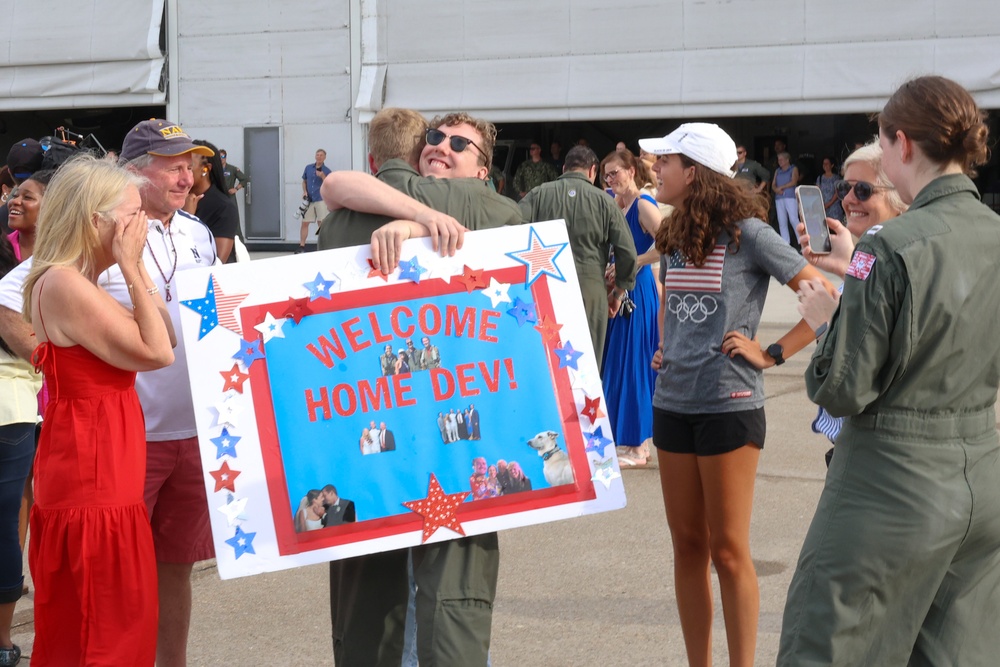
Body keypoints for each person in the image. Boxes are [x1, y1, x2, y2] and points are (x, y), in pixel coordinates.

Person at [778, 75, 1000, 666]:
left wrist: (831, 321)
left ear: (901, 145)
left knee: (824, 647)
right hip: (980, 476)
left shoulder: (888, 247)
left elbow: (842, 386)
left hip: (891, 486)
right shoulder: (993, 235)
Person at [319, 108, 509, 667]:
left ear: (482, 172)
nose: (441, 146)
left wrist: (411, 223)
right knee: (425, 601)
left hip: (453, 441)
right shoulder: (400, 201)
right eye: (434, 137)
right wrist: (422, 217)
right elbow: (333, 182)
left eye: (459, 143)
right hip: (389, 430)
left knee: (411, 602)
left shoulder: (490, 210)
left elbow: (337, 187)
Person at [639, 122, 831, 667]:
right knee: (687, 548)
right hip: (671, 403)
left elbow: (823, 294)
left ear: (693, 172)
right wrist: (666, 346)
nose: (657, 169)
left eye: (666, 161)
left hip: (730, 407)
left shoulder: (749, 233)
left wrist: (771, 353)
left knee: (727, 551)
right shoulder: (673, 234)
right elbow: (673, 303)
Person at [22, 155, 175, 665]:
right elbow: (159, 354)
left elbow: (164, 334)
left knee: (116, 622)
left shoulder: (77, 282)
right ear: (96, 221)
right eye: (133, 214)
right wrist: (132, 267)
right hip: (93, 478)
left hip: (105, 472)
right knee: (101, 629)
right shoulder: (63, 284)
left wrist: (137, 273)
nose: (144, 224)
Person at [118, 118, 218, 667]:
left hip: (195, 431)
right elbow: (14, 294)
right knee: (122, 571)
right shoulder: (103, 226)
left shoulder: (197, 233)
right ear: (135, 169)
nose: (188, 177)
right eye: (174, 165)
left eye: (192, 165)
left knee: (176, 566)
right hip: (133, 433)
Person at [795, 141, 906, 463]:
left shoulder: (899, 260)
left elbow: (864, 368)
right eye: (846, 187)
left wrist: (828, 321)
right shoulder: (870, 254)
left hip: (874, 452)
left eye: (864, 190)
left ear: (900, 197)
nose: (847, 199)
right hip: (854, 444)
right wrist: (843, 265)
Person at [518, 145, 638, 366]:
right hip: (591, 292)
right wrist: (618, 293)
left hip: (545, 289)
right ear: (593, 171)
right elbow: (628, 253)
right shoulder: (605, 202)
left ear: (564, 168)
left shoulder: (539, 193)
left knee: (545, 361)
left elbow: (512, 229)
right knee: (587, 367)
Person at [599, 148, 662, 467]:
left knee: (635, 363)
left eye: (616, 173)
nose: (611, 180)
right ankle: (627, 437)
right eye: (606, 175)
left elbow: (668, 241)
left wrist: (634, 261)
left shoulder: (643, 205)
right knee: (619, 362)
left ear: (632, 171)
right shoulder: (614, 203)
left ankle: (638, 446)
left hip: (638, 290)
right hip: (619, 290)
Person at [0, 233, 40, 667]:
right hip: (14, 400)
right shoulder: (25, 272)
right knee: (5, 521)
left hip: (15, 403)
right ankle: (3, 642)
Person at [187, 139, 240, 263]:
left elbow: (218, 262)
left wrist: (188, 219)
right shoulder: (177, 201)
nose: (183, 172)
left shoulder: (223, 207)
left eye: (189, 167)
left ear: (205, 169)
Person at [297, 149, 331, 253]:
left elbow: (329, 184)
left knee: (321, 224)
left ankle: (322, 246)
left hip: (320, 199)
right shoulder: (308, 168)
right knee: (304, 223)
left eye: (321, 155)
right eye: (317, 155)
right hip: (309, 200)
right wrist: (304, 191)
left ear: (325, 157)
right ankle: (302, 246)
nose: (319, 157)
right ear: (315, 156)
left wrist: (322, 176)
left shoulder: (327, 170)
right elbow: (304, 181)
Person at [771, 151, 799, 245]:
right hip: (779, 198)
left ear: (787, 160)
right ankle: (785, 243)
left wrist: (781, 187)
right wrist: (776, 190)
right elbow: (773, 184)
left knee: (793, 219)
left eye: (781, 159)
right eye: (778, 160)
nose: (779, 161)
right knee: (782, 221)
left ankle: (802, 241)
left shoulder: (793, 168)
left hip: (790, 196)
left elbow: (794, 181)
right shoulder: (777, 170)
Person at [815, 156, 844, 223]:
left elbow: (837, 193)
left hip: (834, 208)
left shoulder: (837, 178)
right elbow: (817, 192)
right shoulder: (820, 178)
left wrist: (828, 204)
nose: (825, 165)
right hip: (822, 207)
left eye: (827, 163)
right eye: (824, 163)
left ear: (832, 165)